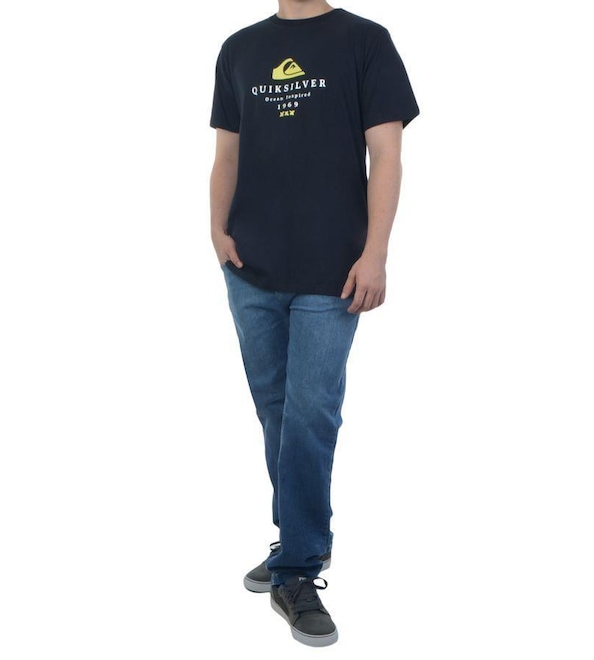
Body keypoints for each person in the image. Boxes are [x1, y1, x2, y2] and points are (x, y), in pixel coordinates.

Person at [209, 0, 419, 647]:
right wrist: (216, 231)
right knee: (275, 408)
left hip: (333, 270)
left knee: (310, 412)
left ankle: (296, 569)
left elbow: (386, 155)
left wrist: (376, 253)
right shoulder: (239, 48)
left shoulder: (365, 40)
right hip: (250, 266)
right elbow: (227, 154)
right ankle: (302, 539)